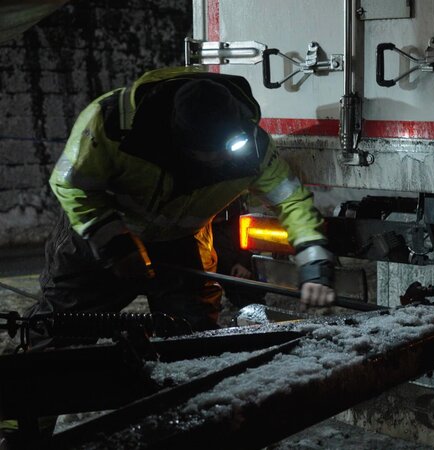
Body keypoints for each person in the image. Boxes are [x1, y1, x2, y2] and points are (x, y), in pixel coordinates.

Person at [29, 66, 336, 337]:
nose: (216, 160)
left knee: (192, 335)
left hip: (181, 244)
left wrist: (314, 264)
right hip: (99, 233)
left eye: (222, 149)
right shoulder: (110, 124)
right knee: (61, 329)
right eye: (205, 153)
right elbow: (71, 184)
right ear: (176, 137)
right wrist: (115, 245)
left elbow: (291, 200)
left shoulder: (252, 146)